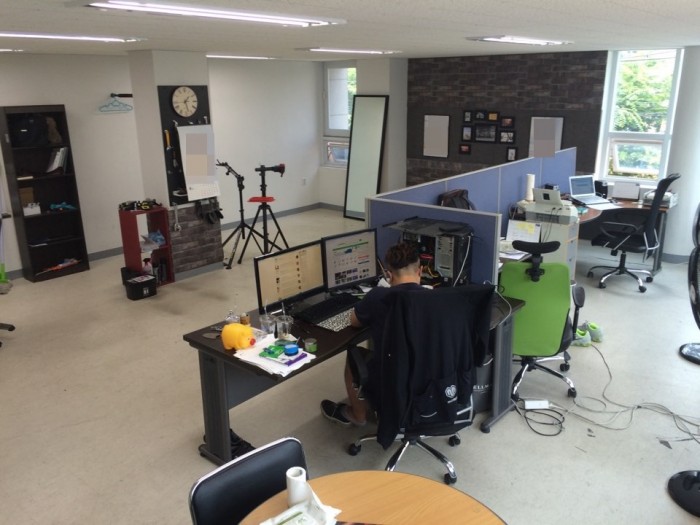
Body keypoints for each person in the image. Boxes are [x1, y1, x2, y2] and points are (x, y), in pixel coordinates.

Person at [320, 242, 424, 427]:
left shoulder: (378, 296)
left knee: (354, 355)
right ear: (420, 271)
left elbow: (354, 321)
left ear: (389, 275)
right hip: (426, 373)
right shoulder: (433, 298)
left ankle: (357, 415)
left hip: (392, 373)